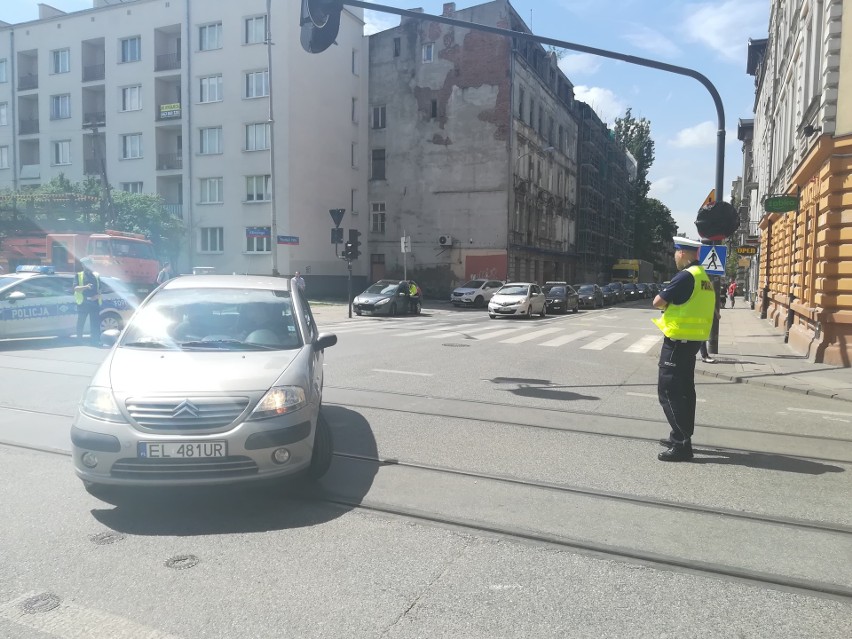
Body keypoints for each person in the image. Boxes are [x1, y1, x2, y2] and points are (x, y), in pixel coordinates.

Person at [651, 237, 716, 462]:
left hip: (677, 342)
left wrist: (667, 302)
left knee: (669, 391)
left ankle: (681, 445)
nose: (674, 257)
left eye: (675, 253)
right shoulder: (703, 277)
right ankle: (679, 435)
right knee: (686, 392)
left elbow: (658, 302)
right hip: (693, 342)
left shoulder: (685, 276)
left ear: (682, 253)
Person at [74, 263, 102, 345]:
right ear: (83, 266)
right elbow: (76, 288)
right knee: (81, 322)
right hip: (83, 303)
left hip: (94, 303)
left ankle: (95, 341)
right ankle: (79, 340)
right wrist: (86, 287)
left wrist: (97, 295)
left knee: (95, 323)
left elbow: (100, 289)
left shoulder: (96, 275)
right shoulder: (79, 275)